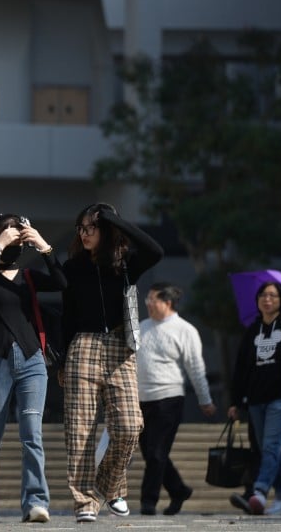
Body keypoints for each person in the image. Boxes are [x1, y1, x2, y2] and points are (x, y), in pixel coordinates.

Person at [60, 202, 163, 523]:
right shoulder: (73, 266)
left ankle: (107, 485)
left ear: (107, 230)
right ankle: (84, 501)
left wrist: (117, 220)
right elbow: (67, 315)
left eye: (92, 227)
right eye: (81, 228)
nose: (85, 233)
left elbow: (155, 250)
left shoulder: (126, 263)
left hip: (121, 346)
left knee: (130, 426)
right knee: (80, 429)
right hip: (83, 346)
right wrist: (61, 361)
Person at [0, 213, 64, 524]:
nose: (13, 238)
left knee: (31, 433)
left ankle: (35, 501)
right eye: (6, 233)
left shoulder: (29, 276)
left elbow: (62, 283)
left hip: (32, 360)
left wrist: (44, 247)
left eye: (16, 234)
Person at [136, 282, 216, 515]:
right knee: (150, 452)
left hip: (169, 398)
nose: (149, 304)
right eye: (147, 300)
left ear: (167, 302)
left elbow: (196, 368)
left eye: (153, 300)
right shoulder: (141, 327)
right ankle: (178, 490)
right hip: (140, 399)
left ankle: (148, 501)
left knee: (157, 451)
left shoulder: (185, 330)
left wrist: (205, 399)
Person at [228, 281, 281, 515]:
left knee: (272, 446)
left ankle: (259, 491)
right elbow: (241, 368)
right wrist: (235, 401)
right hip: (255, 399)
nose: (267, 299)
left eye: (272, 295)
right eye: (263, 295)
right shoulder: (253, 330)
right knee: (268, 448)